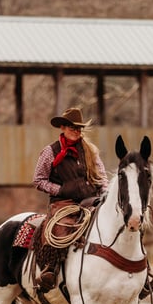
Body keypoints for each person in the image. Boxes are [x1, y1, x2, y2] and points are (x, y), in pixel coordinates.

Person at [32, 107, 108, 292]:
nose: (77, 131)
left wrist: (105, 192)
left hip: (92, 199)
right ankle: (50, 269)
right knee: (61, 228)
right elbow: (39, 180)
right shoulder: (50, 151)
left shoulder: (90, 150)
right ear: (63, 128)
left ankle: (138, 273)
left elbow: (102, 176)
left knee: (116, 224)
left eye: (79, 128)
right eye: (73, 127)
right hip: (63, 203)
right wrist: (62, 190)